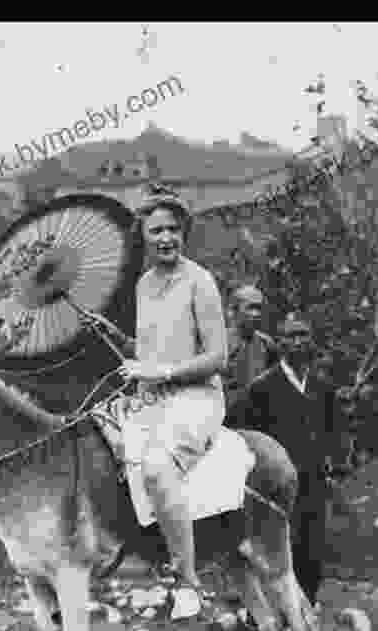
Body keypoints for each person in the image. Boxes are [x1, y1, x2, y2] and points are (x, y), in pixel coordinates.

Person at [119, 185, 228, 606]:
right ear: (144, 237)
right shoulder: (144, 285)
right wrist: (117, 340)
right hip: (153, 399)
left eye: (172, 229)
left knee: (158, 466)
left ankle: (188, 581)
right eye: (156, 231)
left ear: (184, 233)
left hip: (196, 398)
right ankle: (135, 553)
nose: (165, 238)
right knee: (95, 447)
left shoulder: (200, 281)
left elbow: (217, 356)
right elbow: (152, 349)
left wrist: (161, 372)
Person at [225, 313, 350, 606]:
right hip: (276, 487)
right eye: (290, 337)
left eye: (303, 335)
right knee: (277, 549)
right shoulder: (262, 388)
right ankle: (274, 614)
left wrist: (335, 462)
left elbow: (335, 429)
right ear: (279, 344)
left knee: (311, 547)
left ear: (311, 342)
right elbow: (239, 432)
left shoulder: (322, 387)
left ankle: (306, 608)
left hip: (314, 483)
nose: (297, 342)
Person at [225, 284, 279, 410]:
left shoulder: (267, 344)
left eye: (259, 308)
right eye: (250, 308)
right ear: (234, 311)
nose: (256, 314)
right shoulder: (218, 342)